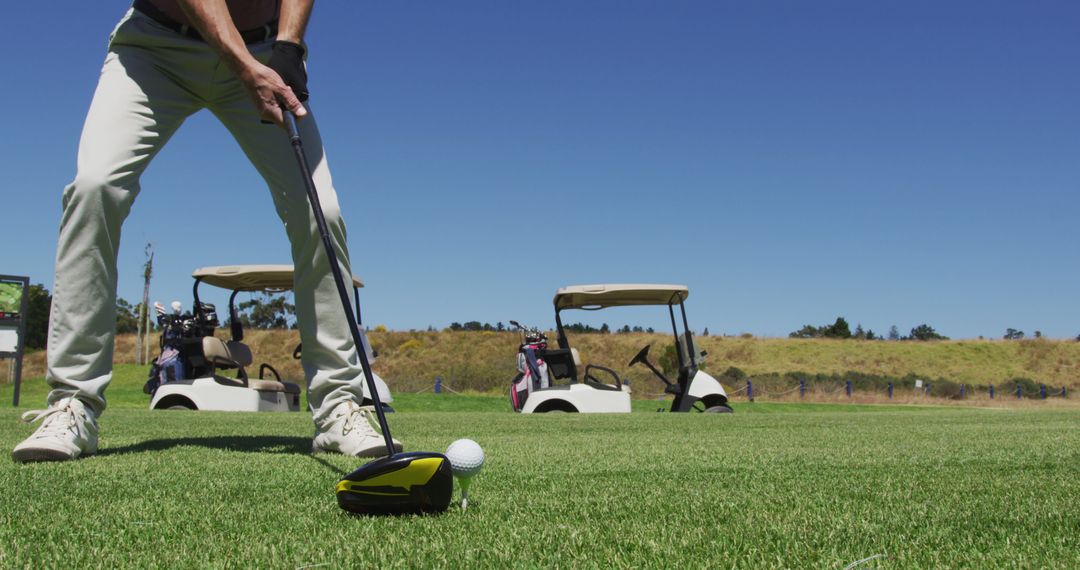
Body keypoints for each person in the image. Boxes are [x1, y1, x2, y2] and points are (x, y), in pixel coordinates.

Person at [12, 0, 400, 462]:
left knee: (322, 212)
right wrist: (242, 62)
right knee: (95, 188)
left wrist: (289, 45)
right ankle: (73, 402)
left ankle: (338, 407)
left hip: (262, 50)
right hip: (156, 48)